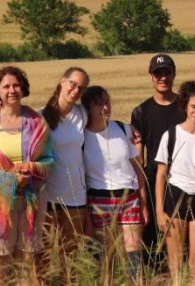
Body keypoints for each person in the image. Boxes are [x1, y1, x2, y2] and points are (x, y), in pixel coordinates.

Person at [0, 66, 55, 286]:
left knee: (26, 263)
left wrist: (31, 170)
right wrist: (11, 179)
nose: (11, 90)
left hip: (31, 202)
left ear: (23, 88)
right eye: (6, 86)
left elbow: (49, 160)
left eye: (16, 85)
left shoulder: (37, 121)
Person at [83, 85, 149, 283]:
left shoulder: (124, 129)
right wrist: (86, 214)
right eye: (98, 104)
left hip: (129, 198)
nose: (105, 108)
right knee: (106, 257)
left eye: (107, 102)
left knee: (134, 254)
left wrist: (143, 202)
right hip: (99, 200)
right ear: (88, 109)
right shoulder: (82, 137)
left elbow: (138, 170)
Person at [154, 81, 195, 280]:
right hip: (174, 196)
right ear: (186, 106)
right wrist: (160, 211)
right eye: (193, 107)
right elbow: (161, 174)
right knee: (175, 261)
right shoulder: (171, 135)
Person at [130, 54, 185, 262]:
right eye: (158, 73)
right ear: (150, 76)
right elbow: (138, 154)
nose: (163, 77)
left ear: (173, 75)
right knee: (153, 231)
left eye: (167, 73)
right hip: (154, 180)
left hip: (183, 179)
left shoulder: (186, 107)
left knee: (180, 232)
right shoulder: (141, 111)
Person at [39, 67, 90, 282]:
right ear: (62, 82)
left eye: (81, 87)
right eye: (73, 83)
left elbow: (104, 123)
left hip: (76, 197)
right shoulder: (41, 116)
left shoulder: (83, 115)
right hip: (47, 197)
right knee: (42, 259)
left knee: (71, 260)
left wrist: (129, 130)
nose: (76, 90)